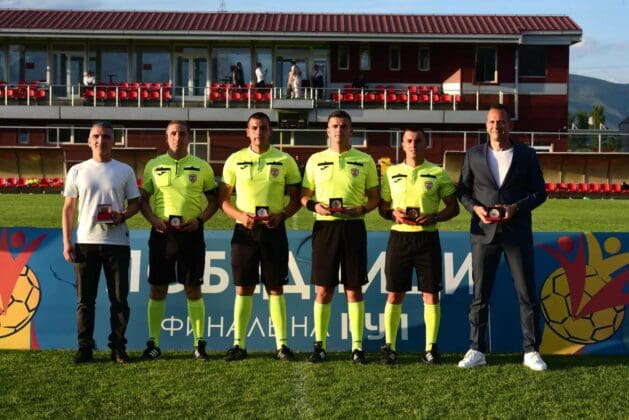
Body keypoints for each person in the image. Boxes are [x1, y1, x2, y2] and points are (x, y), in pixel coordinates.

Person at [457, 103, 548, 371]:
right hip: (483, 233)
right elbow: (462, 190)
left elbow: (540, 193)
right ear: (486, 126)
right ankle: (477, 349)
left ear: (510, 125)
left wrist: (516, 208)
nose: (496, 126)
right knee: (479, 295)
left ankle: (531, 350)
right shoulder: (473, 154)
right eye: (492, 122)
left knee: (526, 294)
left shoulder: (526, 155)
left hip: (516, 233)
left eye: (501, 122)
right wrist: (476, 209)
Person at [219, 112, 302, 361]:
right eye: (254, 128)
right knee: (243, 287)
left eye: (263, 127)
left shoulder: (285, 160)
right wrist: (240, 216)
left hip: (274, 230)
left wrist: (282, 215)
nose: (258, 132)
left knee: (275, 287)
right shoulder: (234, 160)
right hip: (244, 231)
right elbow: (223, 201)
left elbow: (296, 199)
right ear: (247, 132)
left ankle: (282, 345)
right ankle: (239, 344)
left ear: (270, 131)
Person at [301, 110, 380, 364]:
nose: (339, 130)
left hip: (353, 227)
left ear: (351, 130)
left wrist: (361, 209)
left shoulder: (365, 160)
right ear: (327, 130)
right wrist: (315, 206)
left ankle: (357, 347)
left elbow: (375, 198)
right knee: (323, 290)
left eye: (344, 126)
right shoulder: (315, 160)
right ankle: (319, 345)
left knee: (353, 289)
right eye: (334, 126)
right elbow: (304, 195)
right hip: (325, 228)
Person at [378, 127, 459, 365]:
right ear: (402, 144)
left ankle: (430, 349)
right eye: (409, 141)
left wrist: (435, 217)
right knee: (395, 293)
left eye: (418, 141)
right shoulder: (391, 173)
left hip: (427, 239)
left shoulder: (437, 172)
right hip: (399, 238)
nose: (413, 145)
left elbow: (453, 207)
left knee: (431, 295)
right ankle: (389, 347)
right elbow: (383, 207)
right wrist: (392, 214)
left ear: (426, 144)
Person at [139, 120, 219, 362]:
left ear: (189, 137)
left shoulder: (202, 166)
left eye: (182, 133)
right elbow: (143, 200)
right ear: (166, 137)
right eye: (173, 133)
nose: (178, 137)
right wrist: (153, 220)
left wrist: (200, 221)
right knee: (158, 288)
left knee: (193, 288)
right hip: (162, 235)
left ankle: (199, 344)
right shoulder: (154, 165)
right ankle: (153, 344)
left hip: (191, 234)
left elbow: (214, 201)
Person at [62, 121, 140, 364]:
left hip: (117, 243)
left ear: (113, 141)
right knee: (85, 301)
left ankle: (118, 347)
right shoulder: (77, 170)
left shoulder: (125, 170)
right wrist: (67, 242)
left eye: (106, 136)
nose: (100, 140)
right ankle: (85, 348)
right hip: (86, 242)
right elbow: (68, 208)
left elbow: (135, 204)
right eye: (96, 136)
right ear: (89, 141)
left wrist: (122, 216)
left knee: (119, 300)